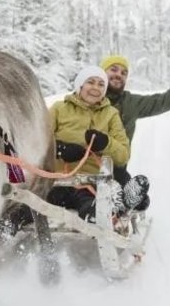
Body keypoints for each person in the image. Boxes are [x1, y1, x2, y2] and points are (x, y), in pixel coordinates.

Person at [99, 51, 170, 208]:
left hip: (116, 169)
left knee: (141, 202)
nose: (119, 75)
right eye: (114, 69)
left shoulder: (131, 103)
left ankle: (122, 207)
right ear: (101, 72)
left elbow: (167, 100)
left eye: (124, 72)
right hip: (81, 164)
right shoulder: (87, 97)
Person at [47, 66, 149, 221]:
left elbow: (123, 156)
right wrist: (59, 149)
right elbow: (37, 141)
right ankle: (8, 225)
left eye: (101, 84)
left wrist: (106, 143)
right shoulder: (59, 109)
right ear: (80, 85)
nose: (96, 87)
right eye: (91, 82)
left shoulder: (110, 114)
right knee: (36, 205)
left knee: (91, 206)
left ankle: (112, 210)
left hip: (91, 182)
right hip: (58, 180)